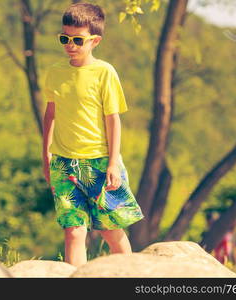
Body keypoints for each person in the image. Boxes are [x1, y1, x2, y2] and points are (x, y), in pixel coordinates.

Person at [41, 2, 144, 267]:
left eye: (77, 39)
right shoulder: (55, 73)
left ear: (95, 40)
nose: (70, 45)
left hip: (99, 163)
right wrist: (46, 158)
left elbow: (113, 120)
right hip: (64, 164)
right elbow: (50, 115)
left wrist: (113, 163)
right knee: (74, 231)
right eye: (65, 38)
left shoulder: (104, 72)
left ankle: (130, 277)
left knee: (110, 230)